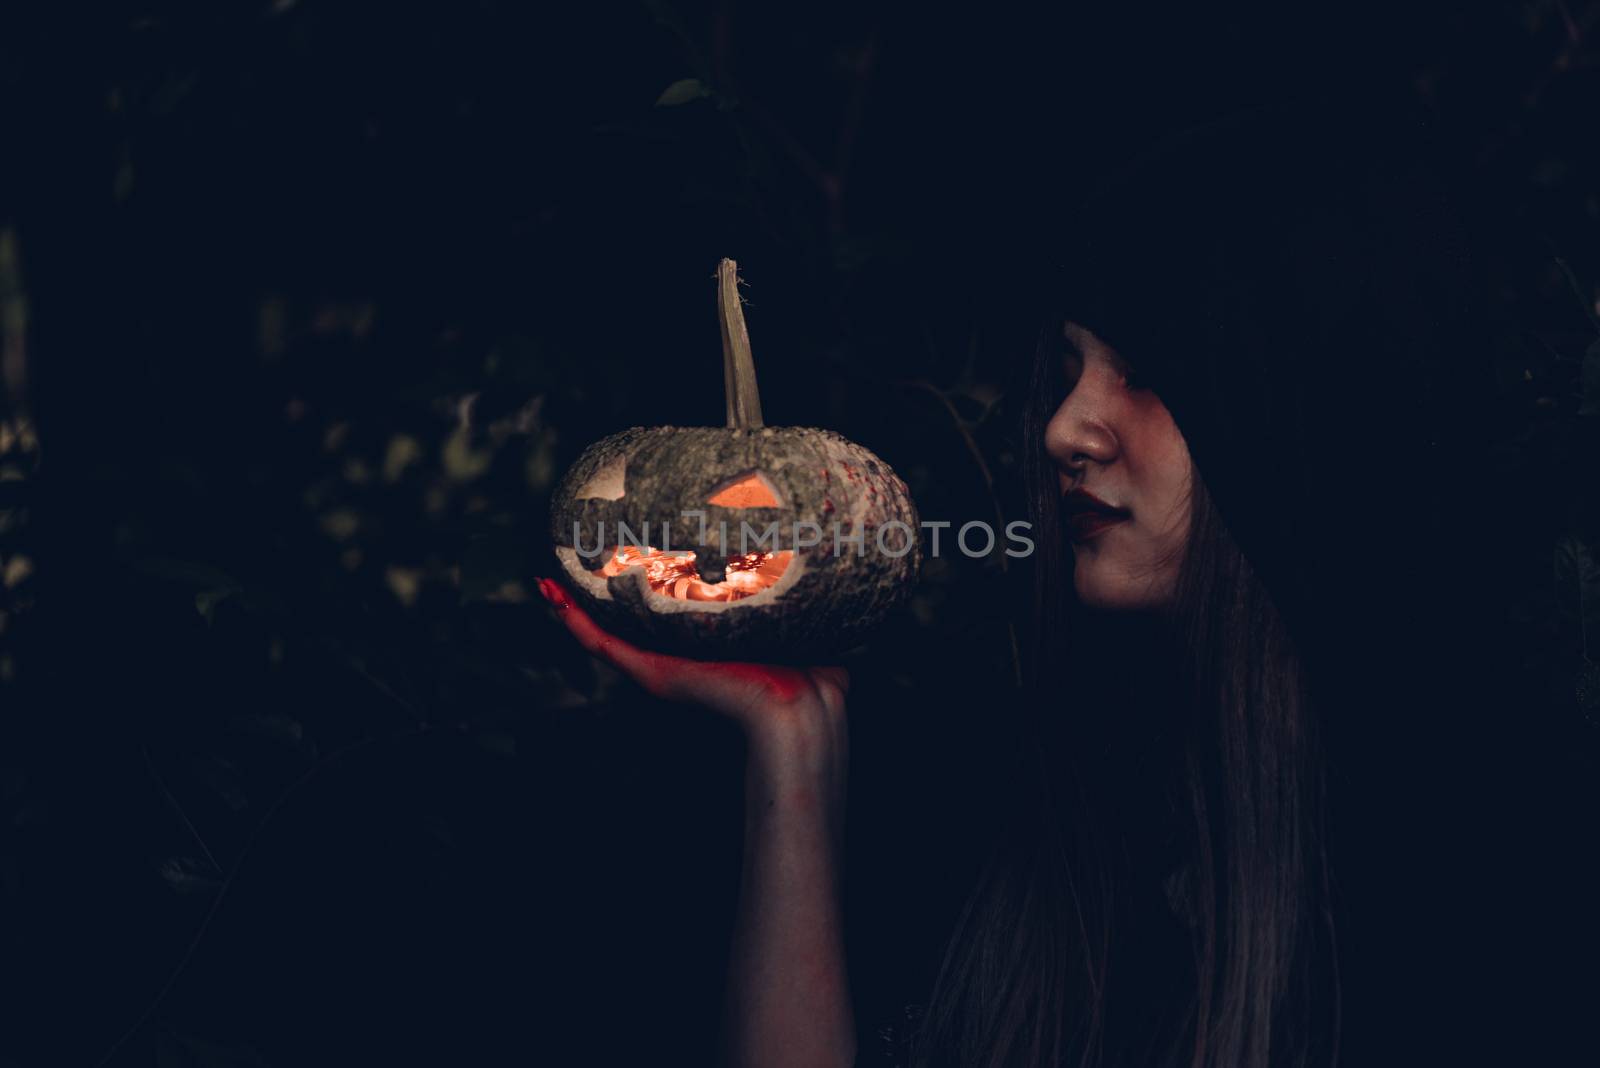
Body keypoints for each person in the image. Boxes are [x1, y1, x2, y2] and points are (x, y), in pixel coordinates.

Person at [538, 98, 1593, 1067]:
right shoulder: (1056, 814)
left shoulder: (1497, 886)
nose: (1063, 430)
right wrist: (796, 757)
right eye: (1072, 368)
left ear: (1304, 400)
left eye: (1144, 373)